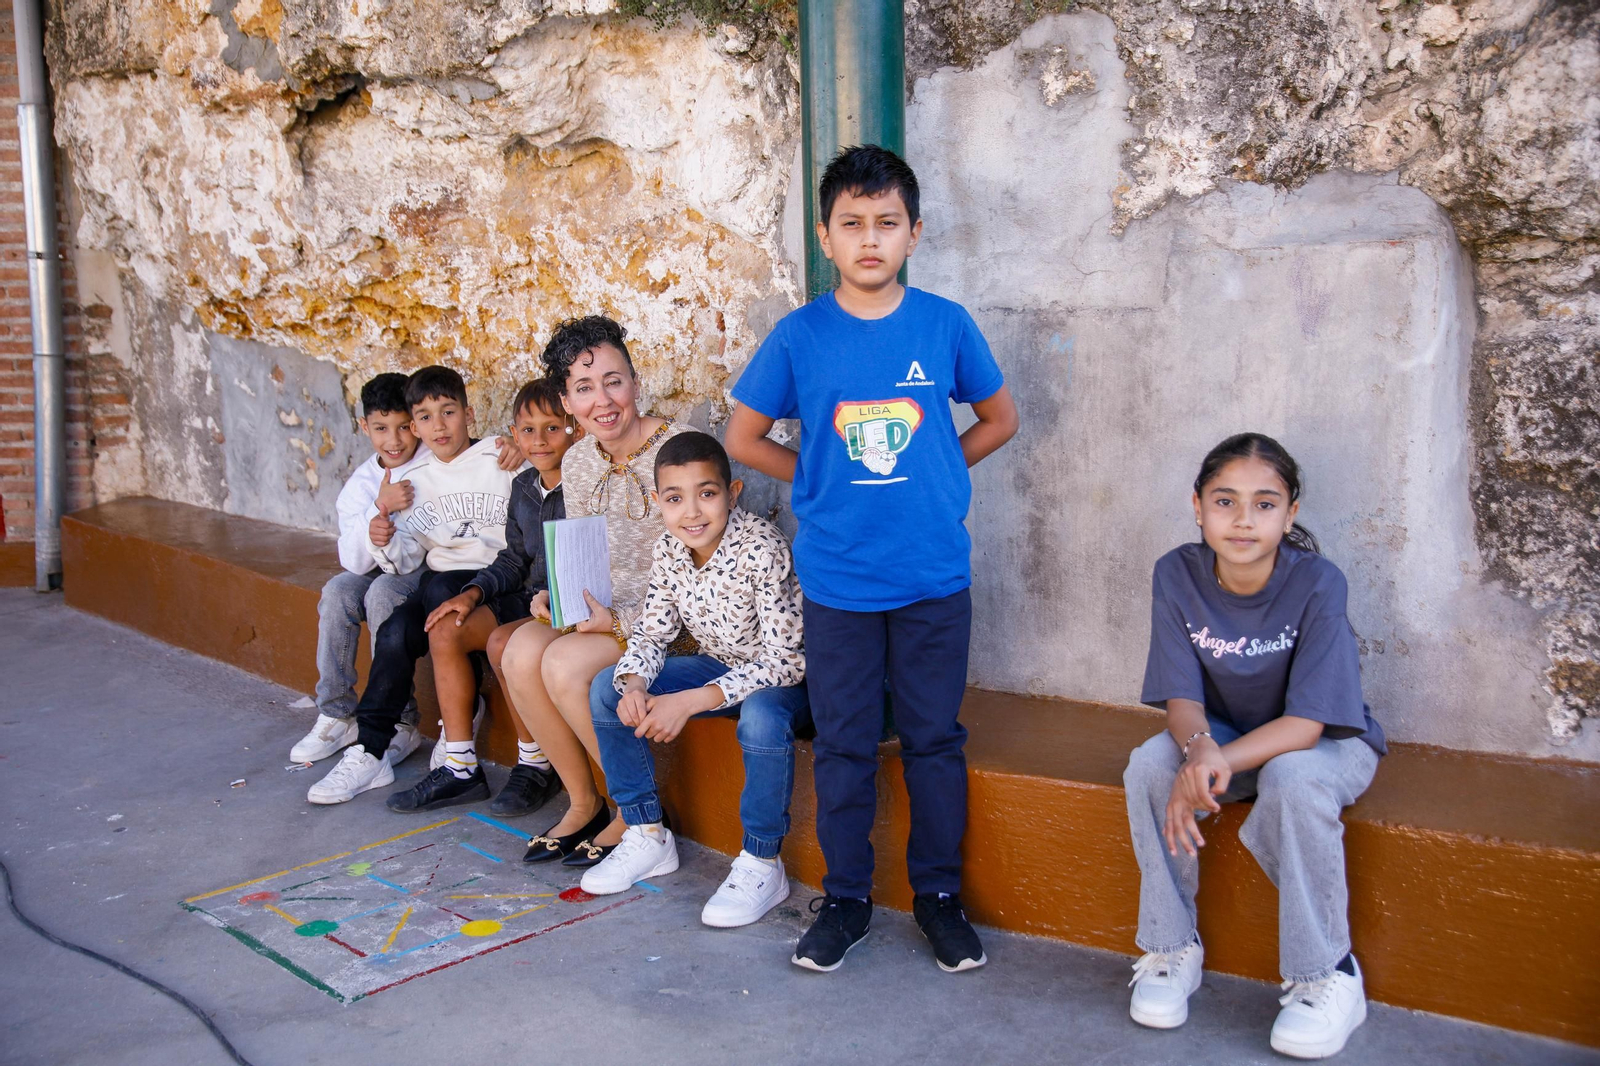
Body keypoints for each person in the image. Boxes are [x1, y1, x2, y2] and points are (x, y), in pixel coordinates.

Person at [724, 144, 1019, 973]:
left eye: (886, 223)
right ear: (826, 236)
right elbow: (742, 438)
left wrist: (936, 468)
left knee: (934, 741)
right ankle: (846, 899)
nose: (869, 240)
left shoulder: (945, 325)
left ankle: (939, 899)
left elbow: (1000, 418)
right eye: (851, 224)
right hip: (840, 582)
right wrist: (815, 475)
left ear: (914, 233)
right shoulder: (800, 336)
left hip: (931, 578)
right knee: (848, 745)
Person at [1123, 432, 1386, 1060]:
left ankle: (1328, 974)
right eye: (1225, 501)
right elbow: (1180, 697)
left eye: (1265, 504)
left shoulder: (1319, 582)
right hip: (1226, 740)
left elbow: (1307, 728)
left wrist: (1211, 759)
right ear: (1197, 506)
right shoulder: (1176, 573)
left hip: (1324, 746)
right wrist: (1197, 747)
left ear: (1291, 514)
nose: (1243, 520)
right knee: (1146, 765)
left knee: (1291, 779)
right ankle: (1170, 945)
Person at [583, 431, 808, 929]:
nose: (692, 512)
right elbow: (651, 632)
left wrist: (689, 701)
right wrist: (638, 681)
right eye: (674, 498)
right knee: (607, 686)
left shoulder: (762, 547)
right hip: (722, 667)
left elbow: (787, 659)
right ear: (659, 501)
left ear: (734, 493)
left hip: (786, 681)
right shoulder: (670, 549)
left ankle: (762, 863)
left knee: (762, 718)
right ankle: (646, 834)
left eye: (706, 494)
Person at [498, 315, 693, 867]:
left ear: (635, 382)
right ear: (566, 399)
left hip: (672, 626)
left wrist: (620, 622)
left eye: (614, 381)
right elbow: (584, 555)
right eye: (584, 388)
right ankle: (586, 801)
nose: (602, 401)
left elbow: (702, 568)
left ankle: (638, 810)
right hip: (604, 615)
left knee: (561, 663)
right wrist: (554, 595)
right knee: (519, 651)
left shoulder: (677, 451)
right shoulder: (580, 459)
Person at [306, 365, 528, 810]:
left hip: (497, 583)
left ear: (469, 412)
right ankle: (370, 749)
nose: (438, 426)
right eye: (425, 417)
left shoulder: (499, 459)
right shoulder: (414, 480)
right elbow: (405, 557)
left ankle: (456, 728)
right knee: (393, 631)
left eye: (448, 412)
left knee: (436, 588)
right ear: (415, 422)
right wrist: (384, 535)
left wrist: (518, 447)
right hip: (439, 586)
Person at [421, 377, 581, 817]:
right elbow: (513, 558)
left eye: (553, 428)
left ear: (576, 429)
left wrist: (553, 596)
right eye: (527, 430)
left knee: (500, 643)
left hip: (564, 607)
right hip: (524, 597)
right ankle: (460, 766)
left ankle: (536, 763)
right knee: (447, 626)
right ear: (514, 434)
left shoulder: (588, 484)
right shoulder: (525, 485)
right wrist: (471, 594)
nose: (539, 440)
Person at [293, 372, 426, 766]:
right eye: (382, 428)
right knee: (338, 590)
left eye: (404, 427)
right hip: (376, 563)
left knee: (382, 593)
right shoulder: (362, 483)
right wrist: (378, 509)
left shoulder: (431, 462)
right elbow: (353, 561)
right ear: (364, 426)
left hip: (422, 565)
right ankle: (337, 713)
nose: (396, 440)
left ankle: (401, 721)